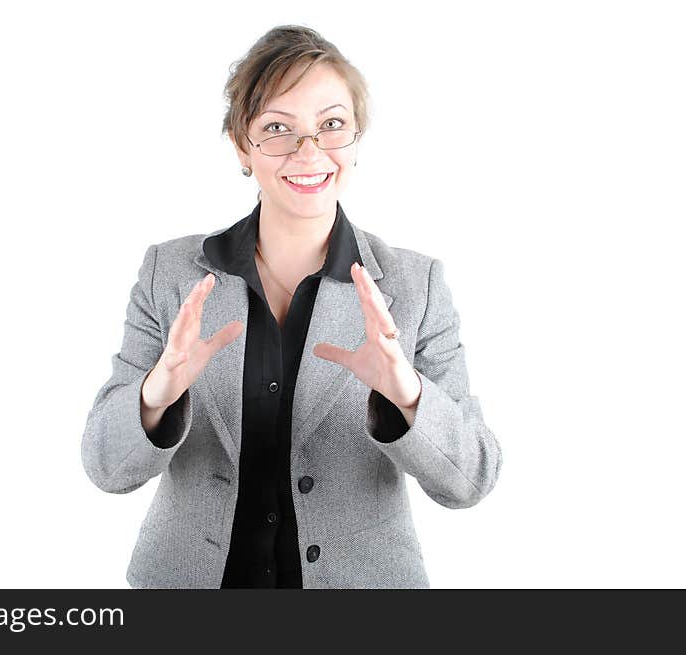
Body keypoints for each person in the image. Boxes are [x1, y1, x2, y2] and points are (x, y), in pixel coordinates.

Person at [81, 24, 502, 589]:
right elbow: (106, 468)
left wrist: (409, 397)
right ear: (241, 146)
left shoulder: (416, 284)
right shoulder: (170, 273)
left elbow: (470, 480)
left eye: (331, 126)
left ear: (356, 140)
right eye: (278, 128)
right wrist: (156, 394)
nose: (309, 152)